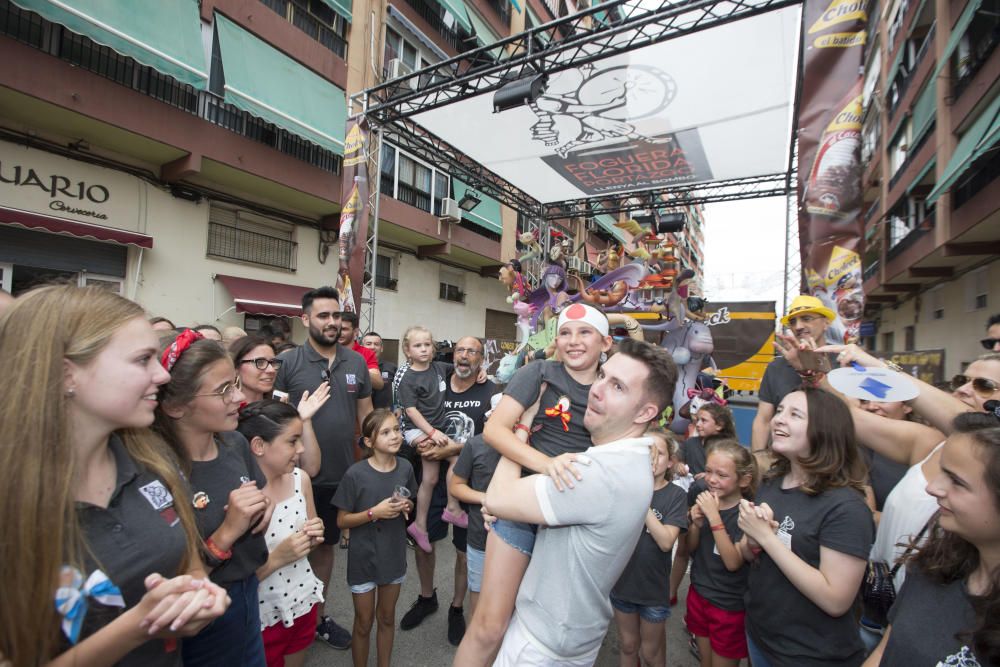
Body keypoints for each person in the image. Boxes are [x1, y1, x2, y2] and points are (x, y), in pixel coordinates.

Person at [0, 286, 227, 667]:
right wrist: (138, 626)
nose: (161, 374)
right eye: (142, 360)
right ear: (65, 373)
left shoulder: (153, 463)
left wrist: (195, 596)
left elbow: (187, 563)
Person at [484, 339, 679, 666]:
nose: (596, 390)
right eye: (602, 375)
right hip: (570, 633)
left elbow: (497, 498)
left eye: (617, 386)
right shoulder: (632, 462)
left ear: (646, 412)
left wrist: (521, 427)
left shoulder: (597, 475)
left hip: (540, 647)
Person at [454, 303, 612, 666]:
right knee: (490, 627)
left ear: (605, 342)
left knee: (548, 631)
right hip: (521, 511)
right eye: (565, 333)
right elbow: (495, 430)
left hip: (576, 521)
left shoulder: (612, 385)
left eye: (584, 332)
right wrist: (547, 465)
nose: (573, 341)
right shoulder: (540, 373)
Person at [153, 330, 273, 666]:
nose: (238, 397)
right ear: (175, 405)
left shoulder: (234, 443)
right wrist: (227, 534)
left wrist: (263, 506)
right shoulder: (158, 474)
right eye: (224, 391)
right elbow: (164, 579)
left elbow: (260, 493)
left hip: (249, 592)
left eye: (235, 383)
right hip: (201, 617)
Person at [737, 388, 874, 666]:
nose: (778, 420)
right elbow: (747, 553)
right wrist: (753, 542)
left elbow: (836, 600)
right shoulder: (772, 482)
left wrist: (767, 538)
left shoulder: (845, 508)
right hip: (761, 636)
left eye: (795, 414)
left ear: (825, 430)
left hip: (809, 654)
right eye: (779, 410)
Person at [273, 286, 373, 650]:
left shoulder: (357, 363)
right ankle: (280, 620)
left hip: (341, 476)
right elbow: (276, 423)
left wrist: (371, 463)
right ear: (305, 320)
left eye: (337, 316)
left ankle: (317, 617)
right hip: (292, 478)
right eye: (324, 316)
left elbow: (366, 418)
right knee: (286, 548)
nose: (333, 323)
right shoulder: (287, 364)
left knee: (324, 547)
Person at [863, 412, 1000, 666]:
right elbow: (884, 652)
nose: (932, 488)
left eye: (957, 482)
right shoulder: (933, 565)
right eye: (941, 471)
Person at [401, 336, 496, 645]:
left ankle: (457, 608)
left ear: (482, 359)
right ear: (451, 355)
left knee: (465, 553)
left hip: (470, 485)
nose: (465, 357)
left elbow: (494, 437)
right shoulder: (436, 375)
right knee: (423, 543)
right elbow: (407, 405)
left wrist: (452, 449)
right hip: (430, 478)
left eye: (473, 352)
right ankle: (427, 597)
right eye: (460, 350)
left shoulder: (491, 390)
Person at [237, 401, 325, 667]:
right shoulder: (242, 501)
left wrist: (314, 534)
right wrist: (276, 558)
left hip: (303, 604)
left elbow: (312, 544)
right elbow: (230, 583)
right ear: (258, 446)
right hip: (260, 616)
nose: (300, 450)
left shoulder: (301, 480)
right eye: (292, 441)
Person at [333, 409, 416, 667]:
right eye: (386, 432)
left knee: (388, 617)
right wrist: (374, 513)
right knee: (363, 622)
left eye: (397, 429)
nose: (395, 436)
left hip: (393, 555)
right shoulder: (355, 474)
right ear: (369, 441)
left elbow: (410, 501)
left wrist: (407, 507)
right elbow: (342, 520)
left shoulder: (406, 467)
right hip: (363, 558)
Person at [611, 427, 688, 667]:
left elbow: (666, 542)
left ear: (670, 462)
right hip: (622, 585)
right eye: (645, 453)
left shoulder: (675, 495)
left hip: (652, 591)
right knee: (628, 645)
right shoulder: (621, 490)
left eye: (659, 454)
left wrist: (640, 496)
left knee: (651, 653)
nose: (651, 459)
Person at [685, 439, 758, 667]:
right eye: (708, 471)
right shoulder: (706, 504)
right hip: (699, 592)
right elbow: (690, 549)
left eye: (722, 475)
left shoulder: (746, 513)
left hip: (728, 605)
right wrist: (695, 524)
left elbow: (733, 562)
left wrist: (714, 517)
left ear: (744, 480)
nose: (712, 479)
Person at [396, 325, 466, 553]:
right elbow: (411, 411)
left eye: (427, 345)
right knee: (450, 461)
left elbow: (461, 369)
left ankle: (419, 525)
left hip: (436, 427)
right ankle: (452, 508)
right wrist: (432, 434)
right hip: (417, 429)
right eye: (418, 346)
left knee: (431, 478)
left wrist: (481, 371)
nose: (424, 349)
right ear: (408, 350)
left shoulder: (438, 368)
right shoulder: (408, 378)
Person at [750, 295, 833, 464]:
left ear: (826, 323)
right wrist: (758, 461)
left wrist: (816, 371)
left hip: (832, 461)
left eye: (806, 318)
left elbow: (853, 413)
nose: (798, 326)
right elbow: (763, 420)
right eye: (793, 322)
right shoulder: (776, 368)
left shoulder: (844, 363)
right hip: (785, 465)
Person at [671, 402, 738, 605]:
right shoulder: (691, 444)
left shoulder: (727, 447)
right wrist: (679, 464)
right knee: (684, 549)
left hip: (717, 507)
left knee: (707, 554)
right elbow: (677, 460)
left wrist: (706, 477)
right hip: (691, 503)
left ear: (719, 425)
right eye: (696, 419)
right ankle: (671, 590)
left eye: (703, 420)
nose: (697, 423)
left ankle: (706, 598)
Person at [339, 311, 384, 391]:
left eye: (344, 329)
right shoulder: (327, 351)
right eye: (336, 329)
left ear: (355, 332)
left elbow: (379, 383)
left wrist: (354, 367)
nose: (339, 333)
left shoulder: (366, 353)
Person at [362, 331, 397, 410]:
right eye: (368, 344)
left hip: (385, 415)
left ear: (381, 348)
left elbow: (401, 388)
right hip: (362, 414)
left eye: (376, 344)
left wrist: (398, 407)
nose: (372, 347)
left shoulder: (391, 367)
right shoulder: (355, 366)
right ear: (362, 347)